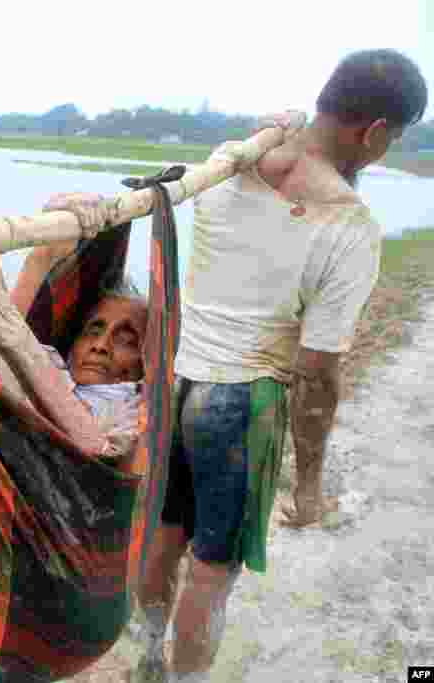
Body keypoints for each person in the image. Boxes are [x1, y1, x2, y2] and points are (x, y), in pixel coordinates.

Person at [133, 49, 428, 682]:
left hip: (182, 383)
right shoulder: (348, 226)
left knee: (166, 534)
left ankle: (145, 658)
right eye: (391, 139)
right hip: (241, 404)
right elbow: (317, 377)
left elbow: (285, 160)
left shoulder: (236, 160)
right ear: (375, 131)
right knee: (212, 572)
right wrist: (310, 481)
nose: (384, 152)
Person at [0, 194, 150, 459]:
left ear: (144, 362)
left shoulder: (127, 411)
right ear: (73, 345)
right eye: (94, 330)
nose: (100, 346)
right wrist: (42, 257)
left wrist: (40, 261)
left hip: (29, 463)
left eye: (126, 340)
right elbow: (4, 339)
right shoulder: (54, 365)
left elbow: (93, 447)